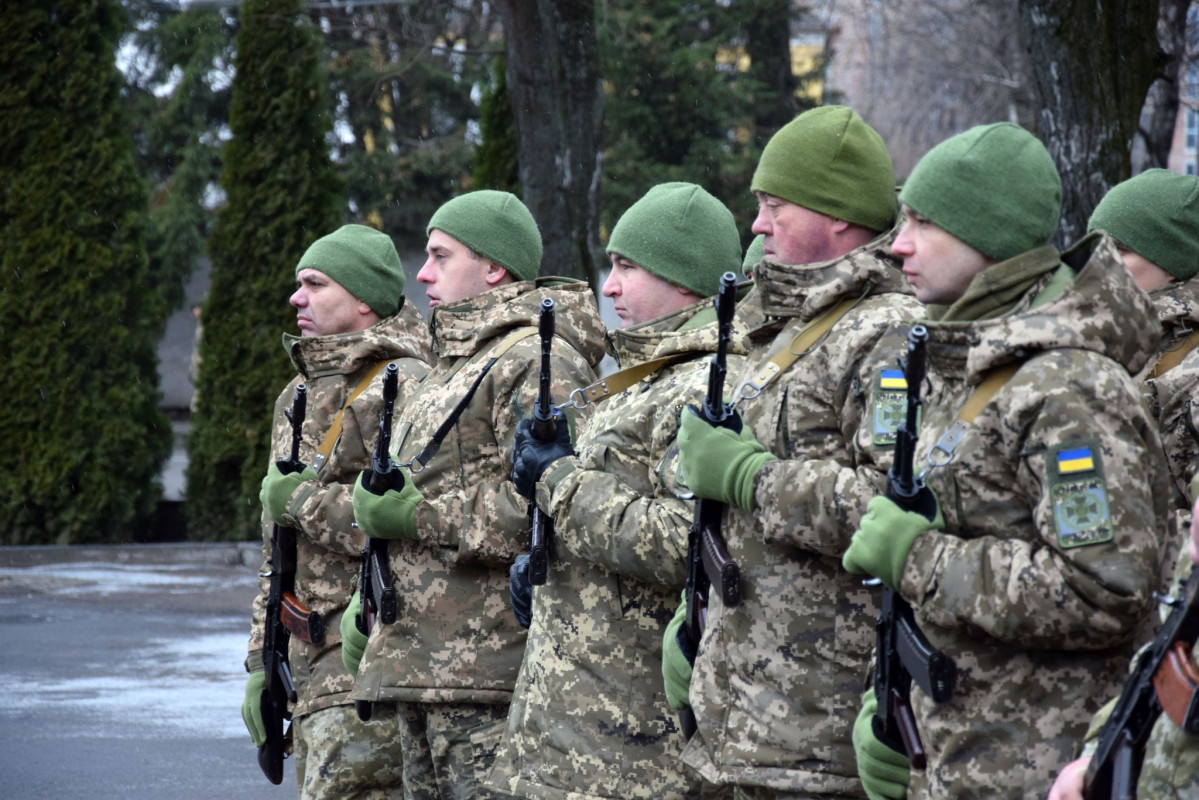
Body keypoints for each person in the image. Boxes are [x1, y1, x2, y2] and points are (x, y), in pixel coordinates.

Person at [842, 123, 1173, 799]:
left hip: (1033, 769)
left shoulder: (1066, 387)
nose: (897, 243)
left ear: (985, 238)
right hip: (958, 756)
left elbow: (1102, 592)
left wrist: (918, 558)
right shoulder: (971, 362)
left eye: (922, 222)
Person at [664, 106, 924, 800]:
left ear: (836, 215)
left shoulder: (888, 333)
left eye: (774, 205)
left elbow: (892, 508)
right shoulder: (793, 330)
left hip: (819, 723)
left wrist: (752, 479)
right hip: (744, 712)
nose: (755, 224)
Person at [341, 190, 608, 800]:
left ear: (494, 267)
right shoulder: (451, 362)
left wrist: (418, 516)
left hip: (485, 671)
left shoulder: (537, 361)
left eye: (441, 255)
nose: (422, 273)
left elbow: (553, 506)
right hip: (421, 663)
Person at [486, 182, 747, 800]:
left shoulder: (705, 389)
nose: (608, 286)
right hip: (565, 736)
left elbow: (686, 542)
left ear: (684, 279)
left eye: (627, 266)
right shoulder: (637, 381)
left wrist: (558, 481)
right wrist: (544, 561)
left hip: (633, 752)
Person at [242, 224, 434, 799]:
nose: (296, 298)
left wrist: (301, 501)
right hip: (303, 660)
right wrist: (261, 659)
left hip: (362, 652)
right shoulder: (298, 394)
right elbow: (278, 551)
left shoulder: (405, 386)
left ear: (363, 300)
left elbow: (407, 525)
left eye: (314, 283)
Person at [1045, 169, 1199, 800]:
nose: (1101, 267)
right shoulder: (1125, 348)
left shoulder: (1185, 376)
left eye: (1122, 250)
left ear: (1175, 264)